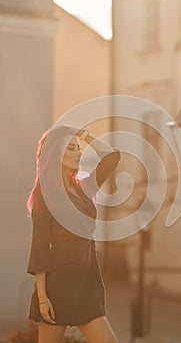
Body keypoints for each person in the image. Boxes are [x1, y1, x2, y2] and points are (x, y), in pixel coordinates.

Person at [26, 124, 121, 343]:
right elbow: (39, 247)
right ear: (55, 154)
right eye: (70, 148)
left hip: (86, 281)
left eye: (78, 148)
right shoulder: (46, 195)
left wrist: (83, 135)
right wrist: (42, 297)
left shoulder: (83, 188)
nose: (78, 153)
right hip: (56, 285)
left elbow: (111, 158)